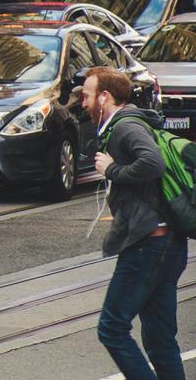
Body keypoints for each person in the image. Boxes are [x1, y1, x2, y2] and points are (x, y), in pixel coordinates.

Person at [84, 67, 188, 380]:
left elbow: (152, 163)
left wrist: (113, 169)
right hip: (167, 243)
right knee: (159, 341)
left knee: (112, 328)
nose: (83, 102)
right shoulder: (131, 122)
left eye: (87, 95)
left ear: (104, 97)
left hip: (149, 245)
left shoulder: (125, 127)